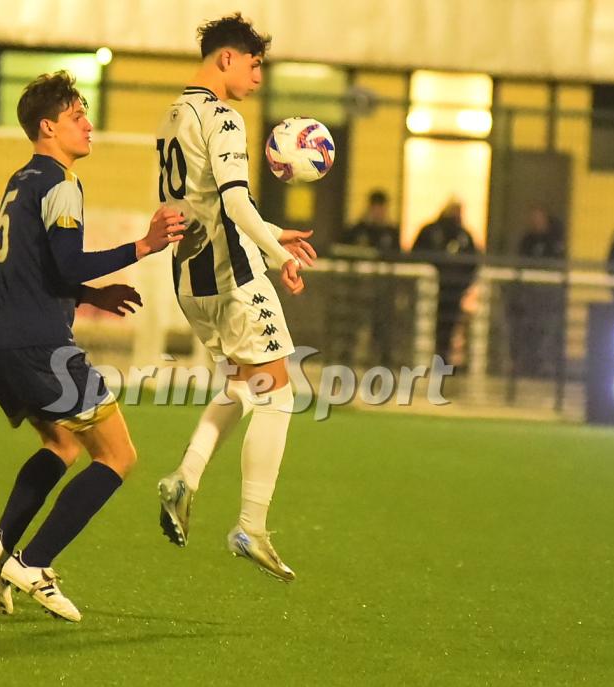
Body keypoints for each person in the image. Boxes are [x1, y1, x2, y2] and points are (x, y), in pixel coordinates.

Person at [0, 71, 184, 623]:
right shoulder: (61, 183)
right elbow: (66, 264)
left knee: (62, 443)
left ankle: (2, 542)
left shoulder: (22, 179)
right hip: (41, 347)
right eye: (76, 116)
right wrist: (144, 245)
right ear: (48, 127)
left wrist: (93, 294)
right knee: (118, 456)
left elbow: (42, 269)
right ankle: (35, 562)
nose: (89, 125)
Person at [153, 14, 316, 582]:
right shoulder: (222, 116)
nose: (257, 78)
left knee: (246, 384)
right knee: (279, 394)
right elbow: (235, 201)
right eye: (254, 64)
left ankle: (186, 477)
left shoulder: (172, 115)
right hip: (233, 277)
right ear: (227, 58)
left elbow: (206, 205)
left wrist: (272, 233)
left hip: (190, 281)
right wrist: (277, 254)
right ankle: (252, 526)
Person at [329, 189, 402, 367]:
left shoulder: (391, 232)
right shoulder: (357, 230)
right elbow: (342, 249)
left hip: (382, 289)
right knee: (352, 324)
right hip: (357, 288)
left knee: (381, 325)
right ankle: (346, 357)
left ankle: (381, 359)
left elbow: (398, 257)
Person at [411, 198, 477, 363]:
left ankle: (442, 359)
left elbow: (473, 262)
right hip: (429, 291)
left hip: (453, 290)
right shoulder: (431, 231)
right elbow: (416, 255)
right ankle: (425, 359)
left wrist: (462, 284)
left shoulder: (464, 235)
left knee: (449, 326)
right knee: (426, 323)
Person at [506, 205, 566, 378]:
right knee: (526, 329)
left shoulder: (555, 241)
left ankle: (544, 365)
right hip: (529, 294)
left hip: (548, 294)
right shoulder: (527, 241)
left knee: (546, 330)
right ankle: (525, 364)